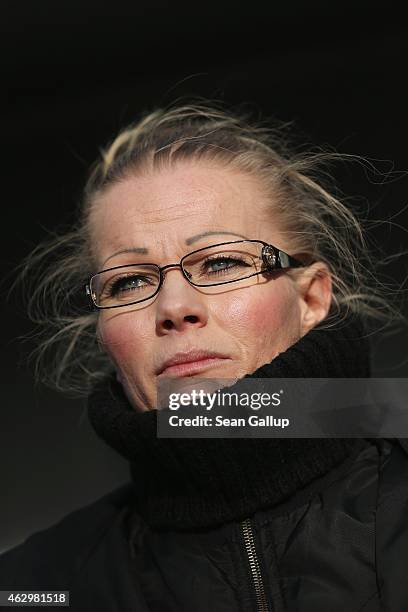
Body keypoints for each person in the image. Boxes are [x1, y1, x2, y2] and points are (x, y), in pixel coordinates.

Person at [1, 102, 408, 612]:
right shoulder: (35, 587)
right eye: (129, 281)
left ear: (311, 298)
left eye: (220, 263)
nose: (174, 307)